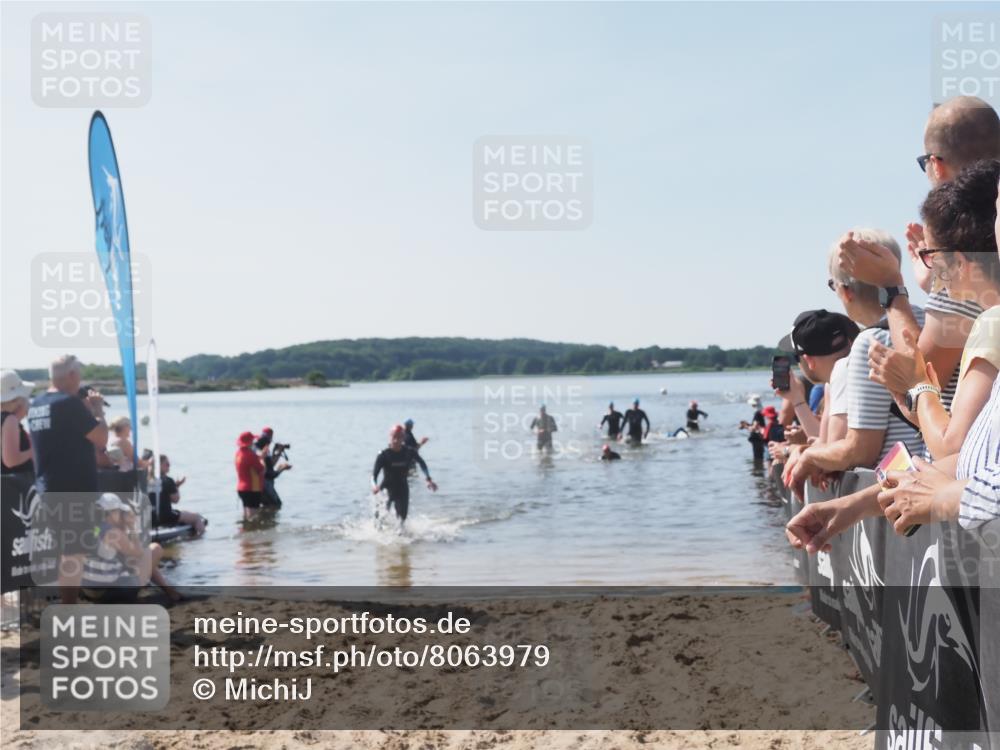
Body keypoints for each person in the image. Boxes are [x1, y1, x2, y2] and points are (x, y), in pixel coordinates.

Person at [787, 229, 926, 498]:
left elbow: (861, 449)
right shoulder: (934, 325)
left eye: (833, 285)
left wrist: (810, 457)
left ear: (846, 291)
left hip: (899, 499)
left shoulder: (871, 342)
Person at [27, 354, 109, 603]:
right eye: (79, 375)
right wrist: (97, 411)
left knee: (69, 551)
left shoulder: (37, 404)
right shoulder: (68, 404)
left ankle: (69, 607)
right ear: (72, 376)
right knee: (73, 553)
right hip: (74, 488)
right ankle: (69, 611)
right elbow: (102, 439)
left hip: (49, 486)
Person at [81, 493, 179, 603]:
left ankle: (169, 590)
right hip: (108, 594)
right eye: (119, 511)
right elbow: (138, 553)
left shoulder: (95, 528)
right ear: (113, 512)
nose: (121, 514)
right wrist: (132, 526)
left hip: (89, 591)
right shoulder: (113, 533)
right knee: (154, 549)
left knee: (137, 561)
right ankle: (169, 592)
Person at [372, 424, 437, 523]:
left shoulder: (409, 452)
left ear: (403, 438)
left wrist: (429, 479)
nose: (396, 440)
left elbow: (422, 463)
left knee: (402, 520)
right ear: (390, 437)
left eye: (399, 437)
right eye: (394, 437)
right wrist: (374, 486)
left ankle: (401, 535)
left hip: (402, 489)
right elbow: (374, 475)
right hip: (386, 489)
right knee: (379, 519)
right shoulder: (383, 455)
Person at [150, 454, 205, 536]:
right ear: (159, 466)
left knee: (182, 513)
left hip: (149, 518)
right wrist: (177, 487)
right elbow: (176, 500)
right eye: (167, 464)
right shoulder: (167, 480)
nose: (169, 466)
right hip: (166, 517)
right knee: (197, 517)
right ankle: (199, 539)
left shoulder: (144, 480)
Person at [1, 370, 34, 476]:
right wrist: (33, 451)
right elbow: (10, 461)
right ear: (16, 399)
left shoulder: (8, 420)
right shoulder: (10, 420)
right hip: (16, 485)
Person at [254, 427, 291, 509]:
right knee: (276, 505)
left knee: (265, 507)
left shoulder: (257, 449)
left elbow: (270, 465)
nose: (270, 442)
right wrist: (282, 468)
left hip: (255, 486)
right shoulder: (261, 451)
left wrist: (278, 452)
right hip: (264, 485)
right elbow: (269, 473)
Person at [235, 431, 265, 520]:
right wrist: (262, 459)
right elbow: (261, 469)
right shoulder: (251, 455)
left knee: (246, 515)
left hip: (241, 488)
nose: (253, 443)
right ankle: (252, 532)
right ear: (249, 442)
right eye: (252, 441)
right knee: (254, 517)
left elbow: (249, 464)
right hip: (252, 489)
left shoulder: (238, 453)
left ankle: (244, 530)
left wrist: (259, 457)